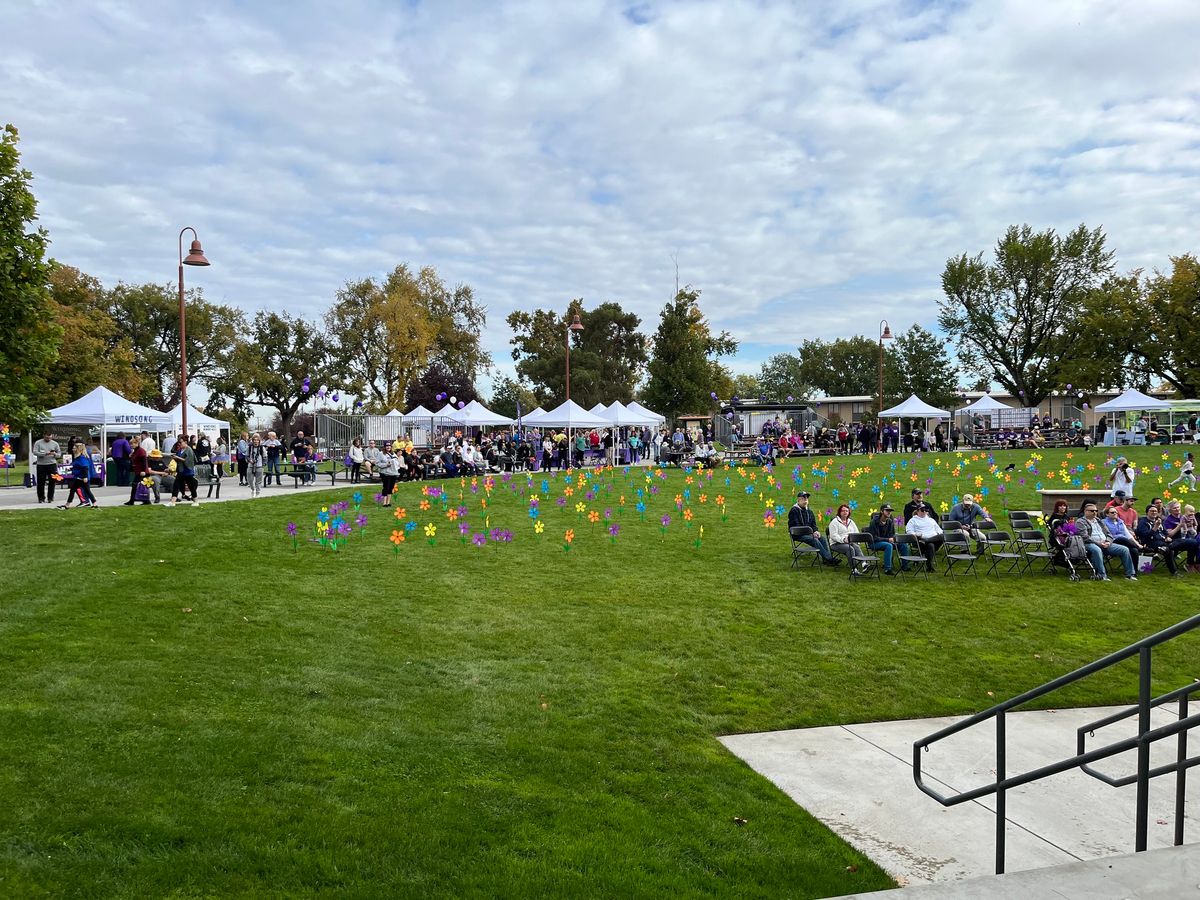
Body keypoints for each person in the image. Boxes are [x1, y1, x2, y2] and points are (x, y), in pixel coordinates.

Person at [1079, 503, 1135, 579]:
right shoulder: (1080, 522)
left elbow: (1109, 534)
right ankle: (1102, 575)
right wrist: (1099, 543)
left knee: (1124, 549)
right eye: (1092, 511)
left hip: (1105, 543)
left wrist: (1108, 542)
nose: (1095, 512)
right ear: (1085, 511)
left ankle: (1130, 574)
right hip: (1090, 543)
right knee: (1097, 550)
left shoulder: (1099, 521)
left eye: (1096, 510)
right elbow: (1085, 537)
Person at [787, 491, 839, 566]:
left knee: (822, 539)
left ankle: (826, 560)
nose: (805, 500)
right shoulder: (794, 510)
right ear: (798, 500)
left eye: (806, 498)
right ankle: (830, 559)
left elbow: (813, 525)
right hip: (797, 534)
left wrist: (815, 531)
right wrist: (811, 533)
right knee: (814, 540)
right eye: (803, 498)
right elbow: (795, 526)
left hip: (809, 534)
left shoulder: (809, 511)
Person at [1136, 506, 1182, 576]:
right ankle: (1174, 572)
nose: (1154, 512)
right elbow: (1145, 536)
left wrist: (1167, 537)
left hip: (1163, 541)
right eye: (1151, 511)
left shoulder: (1159, 520)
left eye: (1155, 511)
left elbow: (1165, 532)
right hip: (1150, 543)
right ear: (1147, 513)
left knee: (1187, 542)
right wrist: (1155, 527)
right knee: (1168, 550)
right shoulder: (1143, 522)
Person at [828, 504, 869, 573]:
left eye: (847, 511)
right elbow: (833, 536)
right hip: (836, 543)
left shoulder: (851, 522)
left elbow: (856, 532)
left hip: (850, 542)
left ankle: (864, 564)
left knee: (856, 546)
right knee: (850, 548)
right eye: (843, 511)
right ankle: (854, 569)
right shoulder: (834, 522)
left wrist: (855, 540)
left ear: (849, 512)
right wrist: (843, 540)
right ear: (839, 512)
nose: (845, 512)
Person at [904, 503, 944, 571]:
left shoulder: (931, 520)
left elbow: (940, 530)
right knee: (930, 546)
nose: (924, 511)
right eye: (922, 510)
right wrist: (916, 534)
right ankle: (929, 566)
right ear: (917, 511)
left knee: (942, 536)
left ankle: (927, 541)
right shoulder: (913, 520)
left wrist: (937, 533)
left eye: (926, 510)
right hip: (920, 541)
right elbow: (909, 531)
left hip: (932, 539)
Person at [59, 441, 99, 509]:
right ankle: (94, 503)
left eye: (74, 448)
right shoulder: (78, 457)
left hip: (82, 478)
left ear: (78, 449)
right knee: (83, 490)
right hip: (80, 477)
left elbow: (85, 467)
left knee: (81, 490)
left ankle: (67, 505)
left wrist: (85, 477)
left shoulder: (81, 458)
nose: (73, 449)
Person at [866, 503, 900, 575]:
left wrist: (893, 539)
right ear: (881, 511)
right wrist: (888, 540)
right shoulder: (874, 522)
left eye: (890, 511)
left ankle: (904, 566)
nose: (889, 512)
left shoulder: (890, 521)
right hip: (874, 543)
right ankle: (887, 569)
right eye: (887, 510)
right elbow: (874, 538)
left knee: (902, 544)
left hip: (886, 542)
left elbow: (892, 534)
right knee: (889, 545)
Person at [122, 435, 154, 506]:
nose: (131, 445)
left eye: (132, 443)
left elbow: (144, 461)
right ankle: (144, 500)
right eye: (130, 444)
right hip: (138, 471)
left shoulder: (141, 451)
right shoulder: (135, 451)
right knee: (140, 486)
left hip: (142, 472)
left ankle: (133, 500)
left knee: (138, 486)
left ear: (136, 443)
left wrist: (143, 470)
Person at [167, 437, 199, 507]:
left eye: (181, 442)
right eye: (179, 442)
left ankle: (196, 501)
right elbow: (179, 459)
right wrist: (175, 458)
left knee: (191, 486)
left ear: (185, 442)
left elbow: (188, 461)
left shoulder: (189, 450)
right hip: (181, 471)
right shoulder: (180, 450)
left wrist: (177, 458)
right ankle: (172, 502)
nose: (179, 444)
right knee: (176, 485)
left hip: (188, 472)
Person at [33, 430, 61, 504]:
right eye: (47, 437)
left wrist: (55, 454)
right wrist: (44, 454)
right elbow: (35, 452)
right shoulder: (38, 443)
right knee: (41, 482)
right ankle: (41, 498)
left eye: (50, 437)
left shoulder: (55, 444)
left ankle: (50, 498)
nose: (48, 438)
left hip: (52, 464)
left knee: (52, 481)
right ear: (44, 436)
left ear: (51, 436)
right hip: (41, 465)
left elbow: (59, 454)